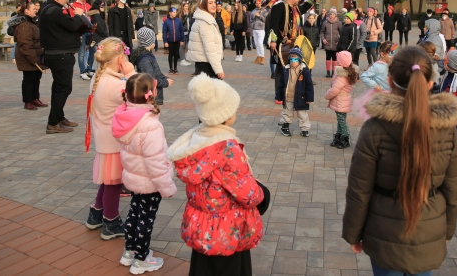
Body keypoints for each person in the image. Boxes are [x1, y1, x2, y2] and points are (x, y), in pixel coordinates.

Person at [343, 46, 457, 276]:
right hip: (429, 228)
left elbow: (360, 189)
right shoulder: (447, 128)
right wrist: (447, 231)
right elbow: (452, 187)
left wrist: (353, 233)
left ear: (389, 80)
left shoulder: (375, 128)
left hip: (384, 231)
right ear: (429, 83)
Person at [168, 73, 265, 276]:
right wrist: (262, 194)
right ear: (225, 115)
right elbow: (248, 194)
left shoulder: (196, 141)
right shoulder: (226, 148)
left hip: (202, 227)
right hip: (226, 230)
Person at [112, 73, 177, 274]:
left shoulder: (125, 117)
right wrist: (167, 186)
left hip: (133, 177)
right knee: (145, 219)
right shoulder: (150, 124)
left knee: (134, 213)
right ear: (150, 94)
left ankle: (129, 251)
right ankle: (141, 258)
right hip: (149, 182)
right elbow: (155, 161)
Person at [85, 37, 136, 240]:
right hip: (114, 142)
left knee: (108, 181)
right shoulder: (115, 85)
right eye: (123, 56)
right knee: (113, 184)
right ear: (118, 59)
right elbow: (143, 94)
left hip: (105, 139)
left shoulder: (99, 77)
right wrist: (131, 73)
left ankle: (96, 214)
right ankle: (111, 221)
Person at [38, 0, 87, 134]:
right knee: (64, 88)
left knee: (58, 87)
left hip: (56, 54)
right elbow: (71, 26)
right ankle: (53, 122)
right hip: (60, 55)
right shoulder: (54, 11)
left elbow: (64, 28)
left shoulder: (47, 9)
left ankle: (59, 117)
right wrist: (78, 14)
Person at [267, 0, 320, 102]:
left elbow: (305, 7)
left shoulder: (295, 8)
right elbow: (273, 25)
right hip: (282, 43)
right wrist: (273, 41)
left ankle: (290, 91)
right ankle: (279, 95)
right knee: (281, 68)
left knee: (293, 68)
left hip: (294, 43)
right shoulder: (279, 6)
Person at [12, 0, 48, 110]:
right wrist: (32, 58)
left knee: (36, 77)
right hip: (28, 56)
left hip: (36, 54)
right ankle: (28, 101)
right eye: (33, 9)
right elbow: (25, 43)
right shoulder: (24, 24)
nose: (35, 11)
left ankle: (35, 98)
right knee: (29, 79)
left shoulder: (32, 21)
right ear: (26, 11)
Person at [187, 0, 224, 79]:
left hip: (204, 64)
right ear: (203, 4)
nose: (214, 5)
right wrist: (218, 69)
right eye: (210, 3)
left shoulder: (204, 19)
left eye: (214, 2)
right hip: (207, 65)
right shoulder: (205, 22)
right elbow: (210, 48)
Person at [324, 50, 359, 149]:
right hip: (342, 100)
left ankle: (345, 137)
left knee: (341, 120)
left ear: (341, 62)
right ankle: (338, 136)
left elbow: (334, 90)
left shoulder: (342, 76)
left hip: (340, 101)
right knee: (340, 119)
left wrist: (327, 95)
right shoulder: (346, 73)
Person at [130, 27, 172, 105]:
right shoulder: (145, 59)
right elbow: (149, 80)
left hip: (154, 95)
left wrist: (164, 77)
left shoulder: (148, 55)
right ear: (149, 41)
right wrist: (165, 82)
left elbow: (156, 72)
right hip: (151, 97)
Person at [280, 47, 314, 137]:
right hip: (288, 96)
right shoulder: (286, 69)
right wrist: (279, 96)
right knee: (287, 112)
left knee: (302, 114)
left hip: (301, 97)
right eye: (291, 59)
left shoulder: (305, 71)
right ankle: (285, 126)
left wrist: (309, 98)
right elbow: (281, 84)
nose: (292, 61)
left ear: (300, 59)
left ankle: (305, 129)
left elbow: (309, 86)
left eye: (295, 59)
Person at [72, 0, 93, 79]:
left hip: (90, 30)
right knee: (82, 52)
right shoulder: (74, 6)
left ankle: (89, 69)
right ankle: (82, 71)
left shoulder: (88, 5)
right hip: (81, 31)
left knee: (92, 51)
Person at [321, 8, 343, 78]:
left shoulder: (338, 23)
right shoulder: (325, 22)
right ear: (328, 14)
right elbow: (322, 32)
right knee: (328, 58)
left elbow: (341, 33)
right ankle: (328, 72)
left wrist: (339, 41)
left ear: (335, 15)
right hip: (327, 43)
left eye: (333, 14)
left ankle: (334, 72)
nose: (331, 15)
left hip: (335, 44)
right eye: (330, 14)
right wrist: (323, 39)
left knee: (334, 58)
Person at [162, 8, 184, 74]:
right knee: (171, 55)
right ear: (170, 13)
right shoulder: (166, 21)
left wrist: (182, 40)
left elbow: (181, 31)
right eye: (173, 12)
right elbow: (164, 32)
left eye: (175, 12)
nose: (175, 13)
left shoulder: (178, 21)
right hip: (170, 40)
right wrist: (165, 41)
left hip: (177, 40)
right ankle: (171, 68)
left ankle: (175, 68)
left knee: (176, 54)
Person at [250, 0, 268, 64]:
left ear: (261, 3)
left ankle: (262, 57)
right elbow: (251, 19)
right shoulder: (253, 11)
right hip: (255, 29)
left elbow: (265, 20)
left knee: (260, 43)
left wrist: (259, 15)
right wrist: (253, 22)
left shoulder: (264, 10)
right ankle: (258, 57)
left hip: (261, 29)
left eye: (259, 3)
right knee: (256, 44)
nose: (258, 4)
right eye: (256, 3)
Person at [179, 1, 192, 66]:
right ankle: (181, 60)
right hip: (182, 32)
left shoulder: (188, 13)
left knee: (185, 46)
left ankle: (184, 59)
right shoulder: (180, 14)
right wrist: (186, 16)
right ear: (182, 7)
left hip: (187, 32)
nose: (186, 7)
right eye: (185, 6)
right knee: (182, 46)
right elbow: (181, 23)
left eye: (187, 6)